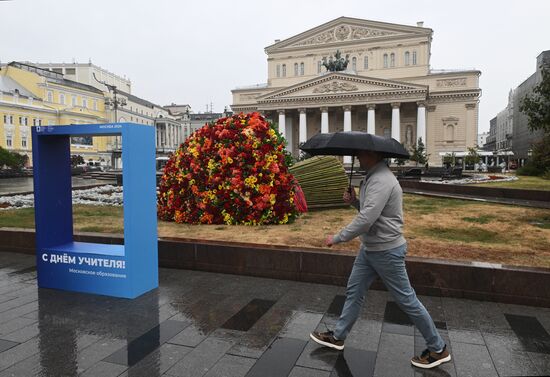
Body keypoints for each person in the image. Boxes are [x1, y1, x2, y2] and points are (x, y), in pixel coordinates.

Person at [309, 150, 451, 370]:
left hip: (386, 251)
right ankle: (338, 336)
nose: (357, 158)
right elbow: (371, 212)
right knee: (354, 291)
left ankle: (438, 348)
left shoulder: (382, 180)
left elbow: (366, 220)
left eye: (361, 155)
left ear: (373, 155)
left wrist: (337, 238)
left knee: (407, 300)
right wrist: (355, 201)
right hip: (370, 249)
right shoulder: (373, 176)